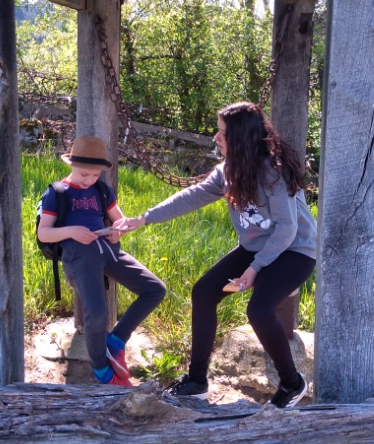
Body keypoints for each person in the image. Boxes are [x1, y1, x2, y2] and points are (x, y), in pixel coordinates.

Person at [117, 102, 316, 408]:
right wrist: (143, 219)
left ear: (240, 138)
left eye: (222, 132)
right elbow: (191, 196)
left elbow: (287, 229)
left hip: (294, 250)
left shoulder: (273, 172)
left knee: (259, 311)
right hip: (256, 248)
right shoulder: (227, 171)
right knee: (204, 292)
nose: (215, 137)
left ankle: (292, 383)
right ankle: (196, 381)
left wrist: (256, 268)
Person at [37, 135, 166, 386]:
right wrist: (72, 231)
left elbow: (119, 219)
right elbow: (44, 233)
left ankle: (115, 341)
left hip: (107, 249)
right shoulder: (58, 193)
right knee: (96, 314)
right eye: (84, 174)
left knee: (155, 289)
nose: (89, 180)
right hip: (79, 256)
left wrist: (118, 229)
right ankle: (102, 371)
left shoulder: (101, 190)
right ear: (71, 165)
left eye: (95, 175)